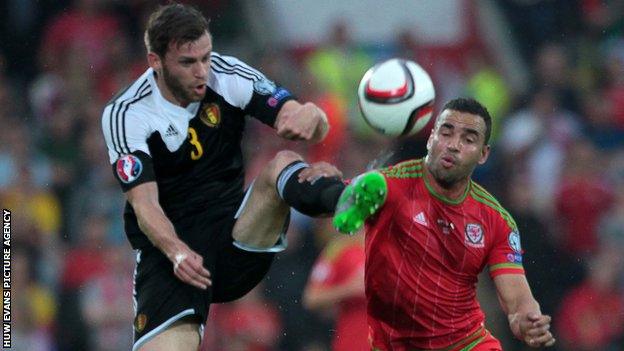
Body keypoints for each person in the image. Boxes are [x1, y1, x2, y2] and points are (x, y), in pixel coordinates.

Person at [101, 3, 345, 350]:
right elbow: (144, 205)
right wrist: (177, 252)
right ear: (155, 62)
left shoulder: (229, 74)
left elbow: (300, 117)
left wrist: (312, 115)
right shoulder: (127, 113)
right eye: (188, 63)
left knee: (283, 162)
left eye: (206, 57)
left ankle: (343, 197)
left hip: (236, 235)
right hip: (172, 257)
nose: (202, 71)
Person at [328, 98, 557, 350]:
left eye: (468, 140)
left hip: (466, 343)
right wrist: (315, 182)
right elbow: (332, 205)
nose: (453, 146)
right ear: (431, 139)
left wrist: (526, 318)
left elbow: (518, 298)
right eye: (446, 133)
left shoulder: (496, 220)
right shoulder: (389, 185)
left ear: (483, 154)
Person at [303, 223, 368, 351]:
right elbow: (311, 297)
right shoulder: (341, 248)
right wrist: (349, 288)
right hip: (353, 344)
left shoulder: (401, 248)